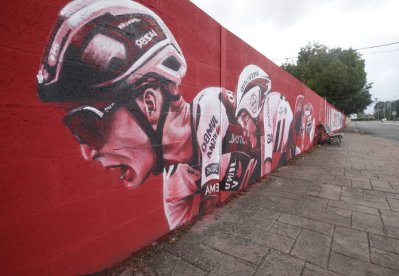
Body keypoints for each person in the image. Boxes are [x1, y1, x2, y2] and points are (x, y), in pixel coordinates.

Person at [36, 0, 255, 230]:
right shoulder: (173, 189)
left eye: (87, 125)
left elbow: (211, 204)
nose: (87, 152)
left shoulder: (210, 103)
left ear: (150, 104)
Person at [234, 65, 293, 176]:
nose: (244, 129)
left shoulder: (269, 103)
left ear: (252, 105)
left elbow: (267, 163)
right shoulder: (261, 132)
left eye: (244, 118)